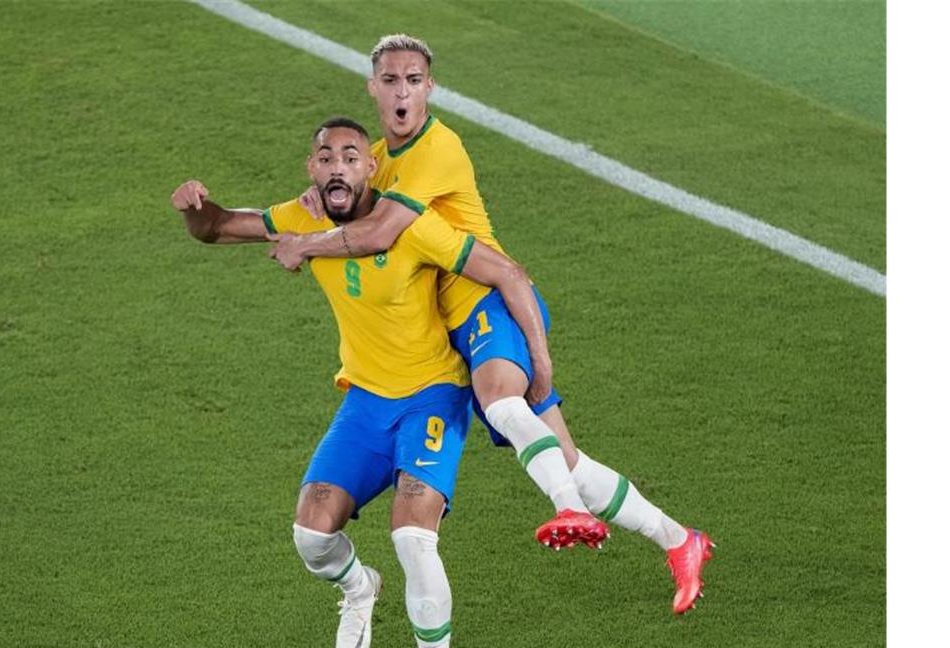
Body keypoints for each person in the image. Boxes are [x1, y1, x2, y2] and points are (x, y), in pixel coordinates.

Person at [267, 34, 714, 615]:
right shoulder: (379, 154)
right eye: (391, 80)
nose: (402, 92)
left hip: (487, 302)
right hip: (454, 329)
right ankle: (680, 541)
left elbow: (381, 236)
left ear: (430, 87)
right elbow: (357, 199)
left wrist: (308, 242)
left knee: (504, 405)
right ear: (373, 87)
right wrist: (322, 200)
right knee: (568, 458)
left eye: (413, 80)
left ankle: (567, 509)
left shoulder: (438, 149)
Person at [171, 117, 558, 648]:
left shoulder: (409, 225)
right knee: (310, 536)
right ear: (312, 171)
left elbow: (507, 272)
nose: (336, 166)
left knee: (412, 537)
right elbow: (216, 228)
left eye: (350, 155)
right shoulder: (302, 217)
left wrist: (540, 372)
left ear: (370, 167)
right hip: (365, 402)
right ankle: (359, 586)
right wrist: (195, 206)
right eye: (325, 156)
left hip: (433, 395)